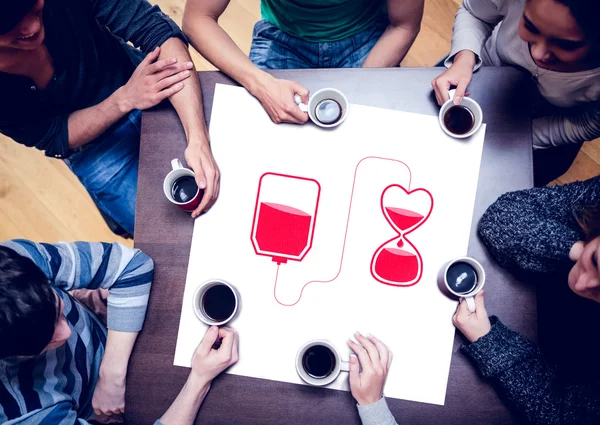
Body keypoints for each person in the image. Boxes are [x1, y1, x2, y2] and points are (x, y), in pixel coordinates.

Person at [0, 0, 220, 237]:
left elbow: (156, 31)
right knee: (168, 239)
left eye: (34, 8)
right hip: (92, 146)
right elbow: (55, 135)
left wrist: (197, 138)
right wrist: (124, 99)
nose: (32, 27)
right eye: (10, 27)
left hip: (141, 80)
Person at [0, 239, 240, 424]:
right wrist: (199, 379)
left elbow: (133, 265)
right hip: (106, 410)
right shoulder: (24, 414)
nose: (67, 333)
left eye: (57, 309)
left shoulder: (17, 261)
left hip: (113, 350)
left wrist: (111, 375)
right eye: (45, 341)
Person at [450, 178, 600, 425]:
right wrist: (576, 250)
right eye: (596, 261)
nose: (582, 285)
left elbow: (558, 415)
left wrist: (490, 342)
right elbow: (501, 220)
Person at [431, 0, 600, 183]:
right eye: (530, 26)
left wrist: (523, 139)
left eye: (566, 45)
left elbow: (589, 123)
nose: (537, 53)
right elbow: (474, 12)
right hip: (479, 70)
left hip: (551, 125)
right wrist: (464, 57)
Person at [182, 0, 424, 124]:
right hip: (282, 37)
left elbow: (403, 25)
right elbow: (197, 19)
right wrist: (261, 85)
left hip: (366, 37)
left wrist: (362, 87)